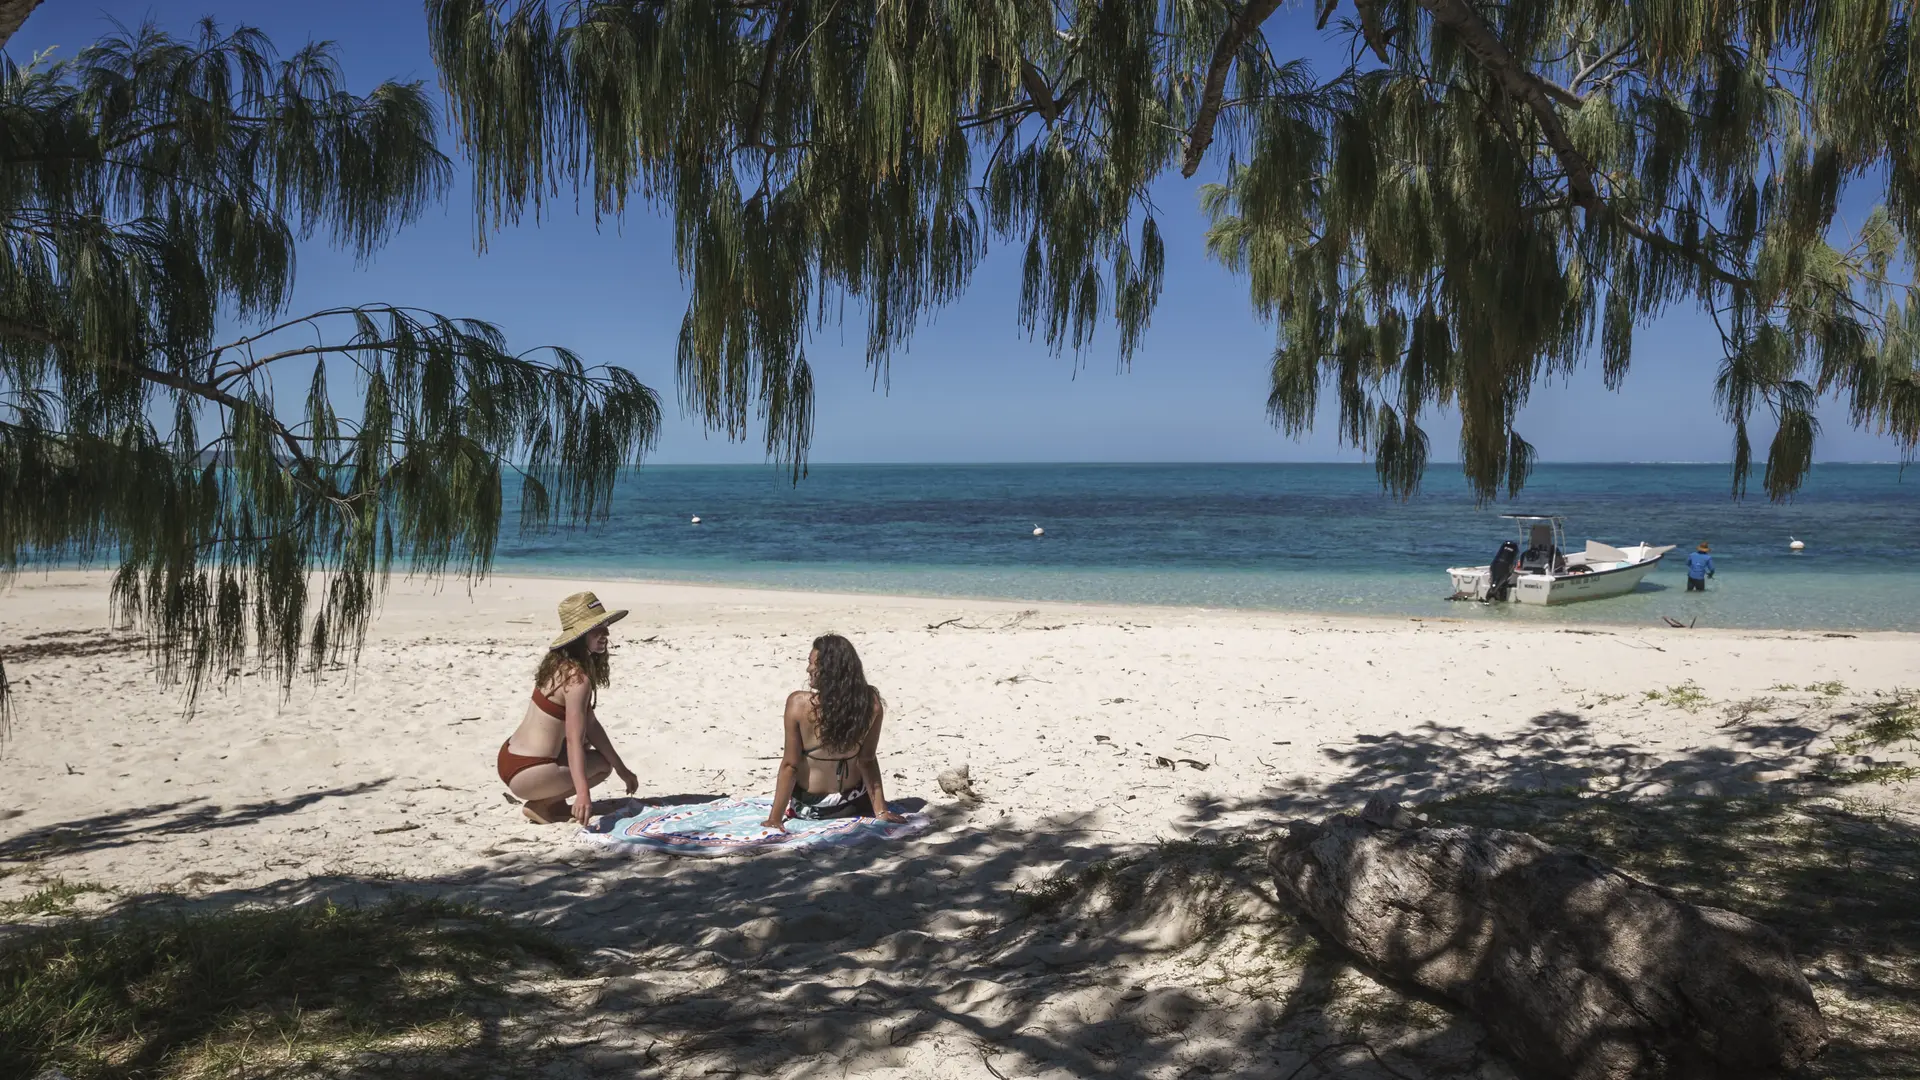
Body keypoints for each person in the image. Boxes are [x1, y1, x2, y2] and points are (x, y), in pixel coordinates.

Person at [497, 592, 639, 825]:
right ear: (579, 636)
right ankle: (541, 805)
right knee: (602, 766)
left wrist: (622, 768)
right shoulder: (577, 680)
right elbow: (574, 740)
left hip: (511, 757)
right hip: (530, 771)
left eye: (605, 626)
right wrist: (583, 794)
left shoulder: (558, 665)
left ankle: (553, 801)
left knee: (593, 749)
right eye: (597, 629)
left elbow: (591, 726)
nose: (606, 633)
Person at [763, 634, 906, 829]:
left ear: (831, 670)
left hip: (812, 809)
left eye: (814, 664)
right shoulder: (870, 703)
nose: (809, 669)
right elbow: (867, 760)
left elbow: (791, 765)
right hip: (853, 803)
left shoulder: (798, 704)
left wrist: (775, 819)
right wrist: (880, 810)